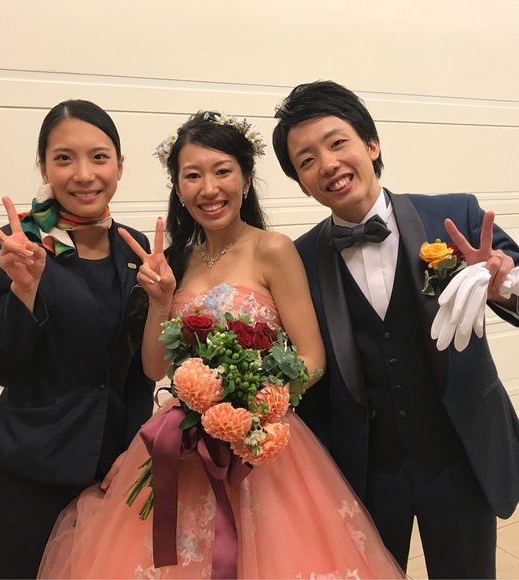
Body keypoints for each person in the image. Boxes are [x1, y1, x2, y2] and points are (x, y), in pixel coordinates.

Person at [38, 111, 403, 579]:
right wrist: (161, 301)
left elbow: (312, 358)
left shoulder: (273, 250)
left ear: (245, 179)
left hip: (262, 446)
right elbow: (154, 368)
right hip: (184, 443)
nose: (208, 188)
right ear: (178, 188)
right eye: (192, 175)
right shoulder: (177, 260)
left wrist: (251, 408)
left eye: (222, 171)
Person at [272, 80, 519, 578]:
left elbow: (512, 277)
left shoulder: (454, 215)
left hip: (460, 452)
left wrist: (502, 284)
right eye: (307, 160)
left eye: (337, 143)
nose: (328, 164)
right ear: (301, 183)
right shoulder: (297, 259)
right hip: (364, 468)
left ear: (371, 144)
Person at [0, 100, 155, 579]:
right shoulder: (18, 244)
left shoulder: (135, 247)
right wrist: (24, 292)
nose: (84, 174)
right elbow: (0, 366)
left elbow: (138, 369)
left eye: (99, 157)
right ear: (44, 167)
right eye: (64, 158)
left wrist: (134, 451)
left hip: (110, 474)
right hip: (29, 475)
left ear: (119, 165)